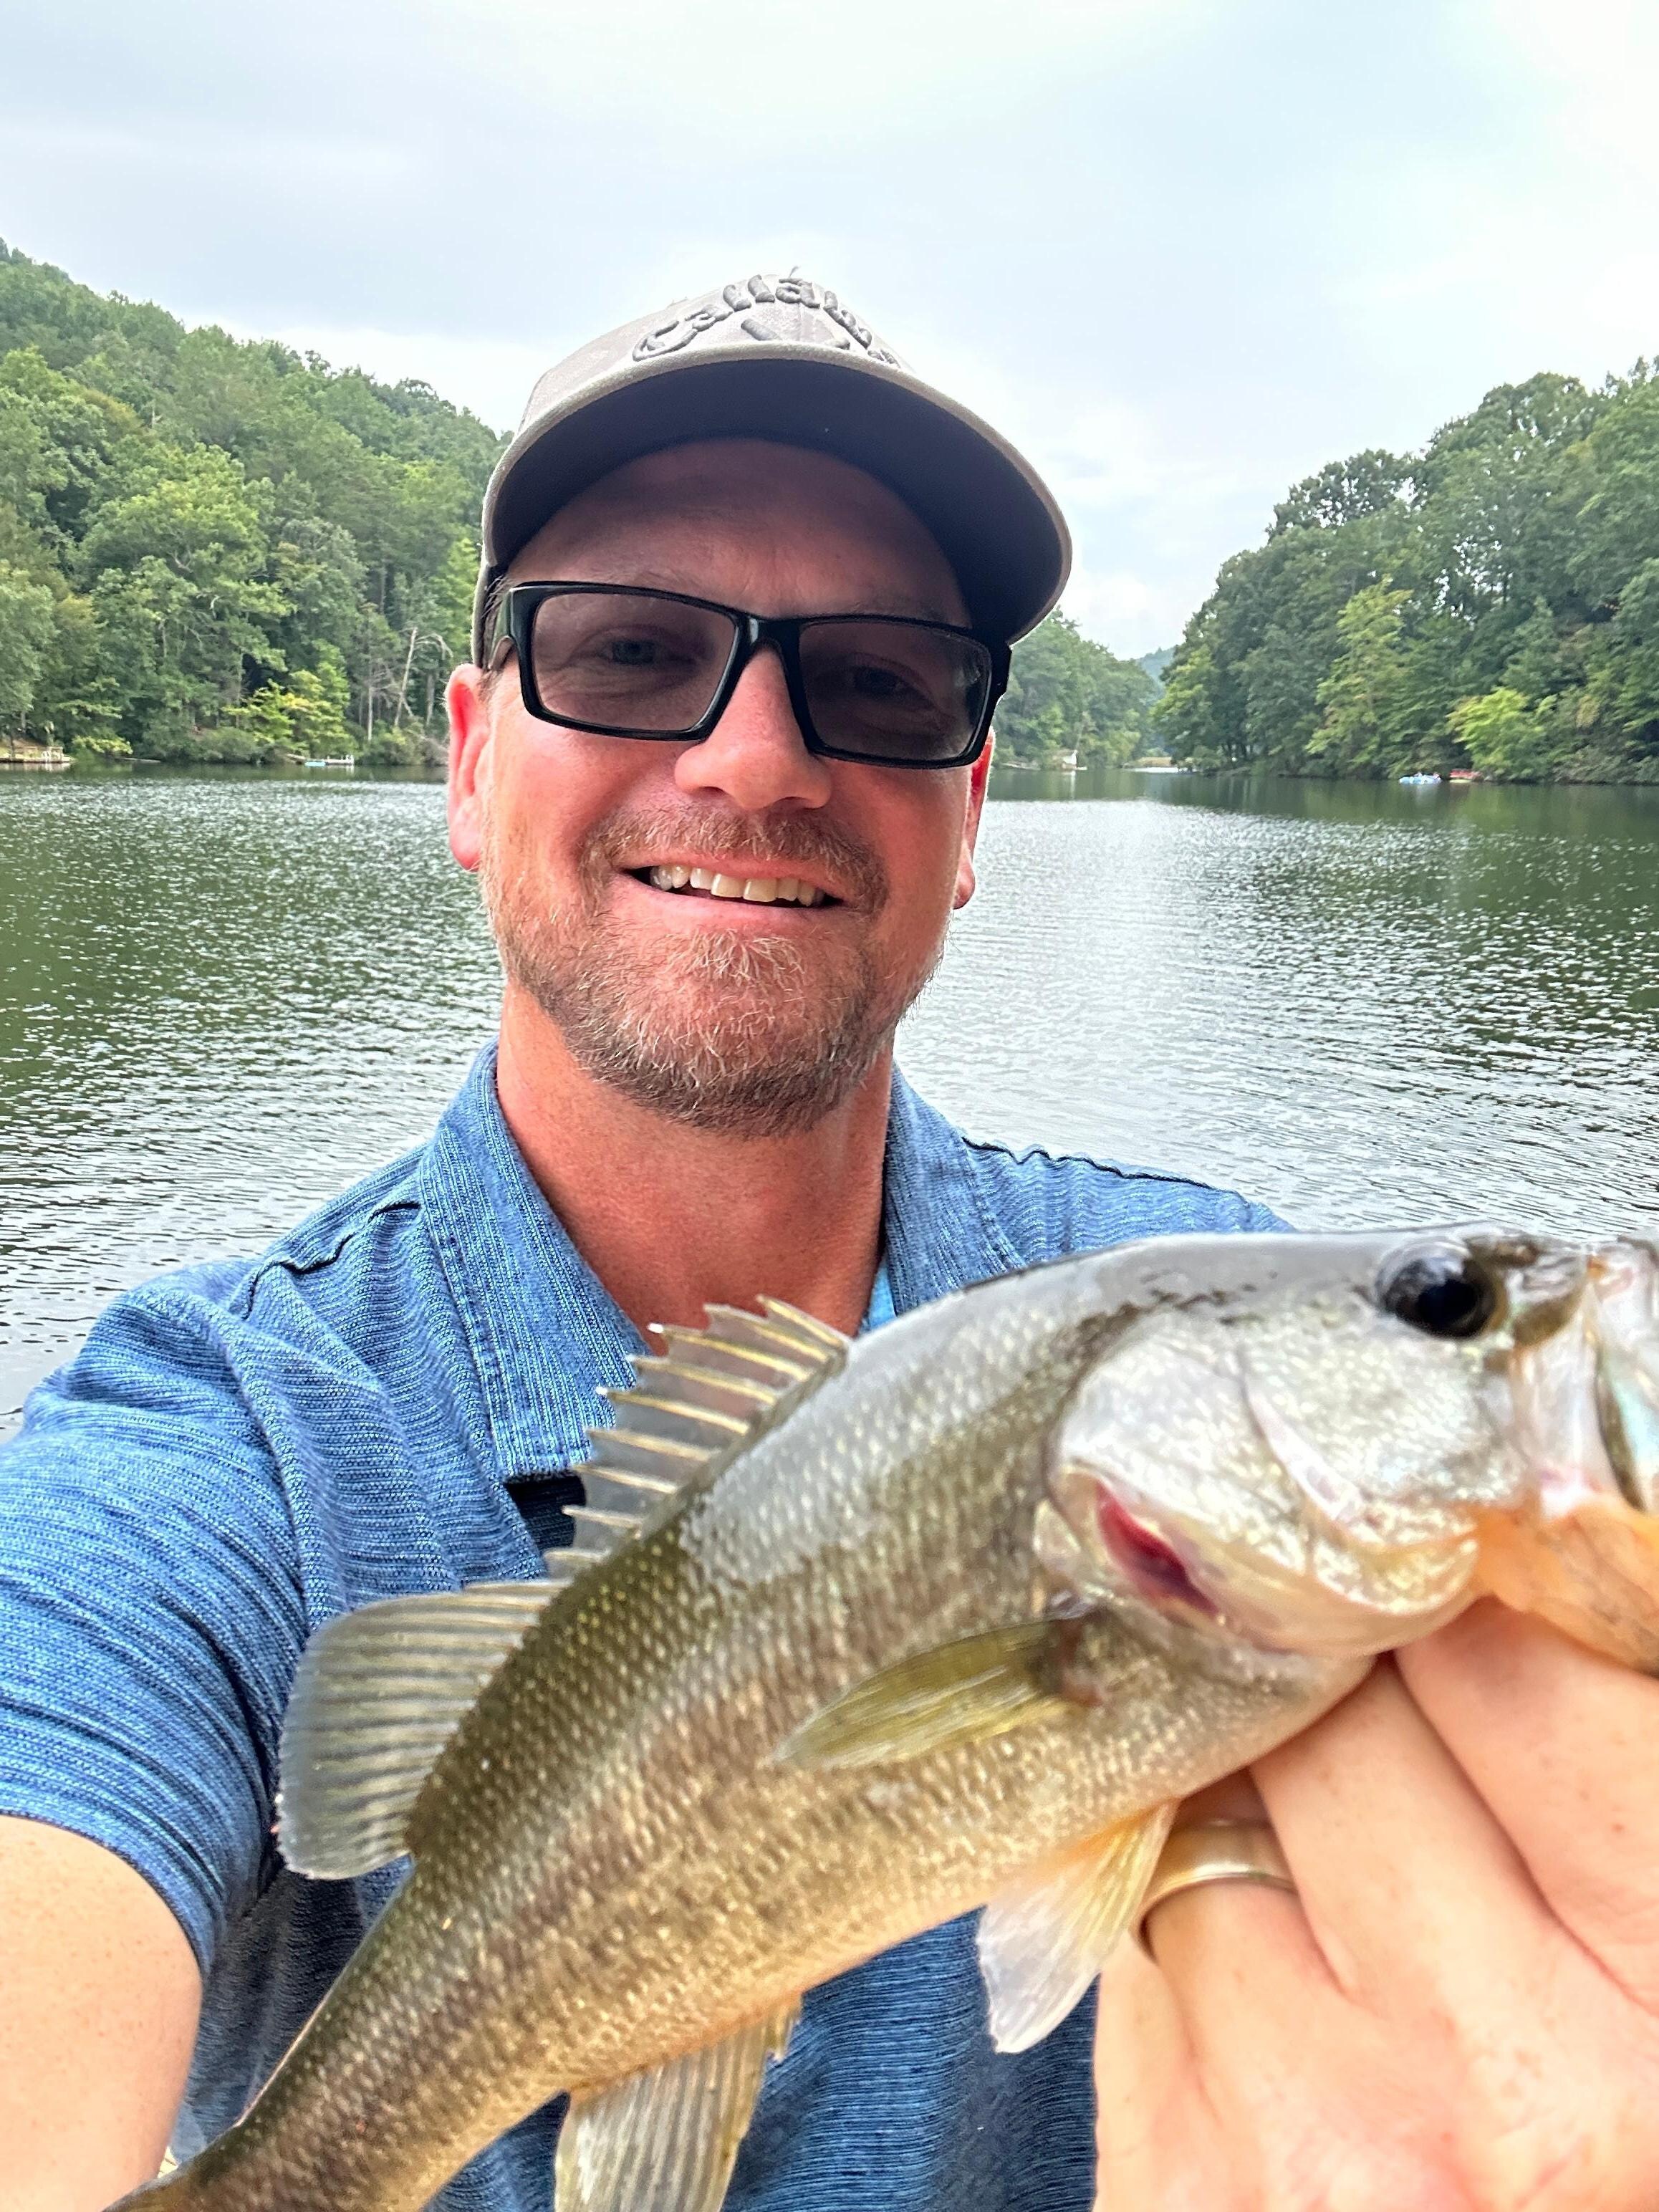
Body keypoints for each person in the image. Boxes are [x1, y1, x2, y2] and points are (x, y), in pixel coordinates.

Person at [1, 277, 1655, 2212]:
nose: (754, 760)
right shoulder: (203, 1448)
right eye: (628, 653)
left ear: (970, 808)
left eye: (879, 684)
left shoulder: (1197, 1275)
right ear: (467, 760)